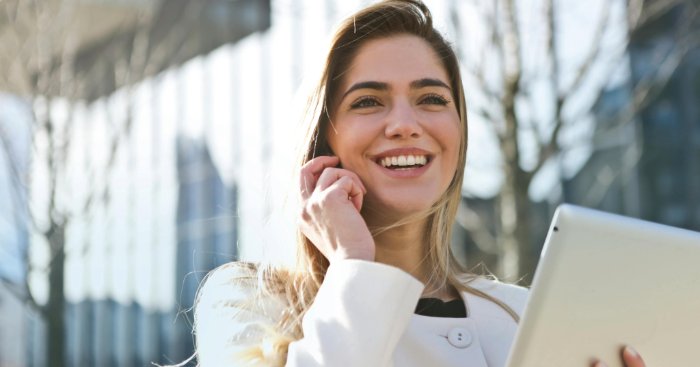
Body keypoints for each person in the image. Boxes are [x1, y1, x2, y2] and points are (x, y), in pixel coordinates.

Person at [193, 1, 647, 366]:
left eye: (431, 98)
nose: (405, 125)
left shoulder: (524, 314)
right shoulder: (246, 304)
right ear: (322, 140)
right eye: (369, 101)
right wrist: (354, 265)